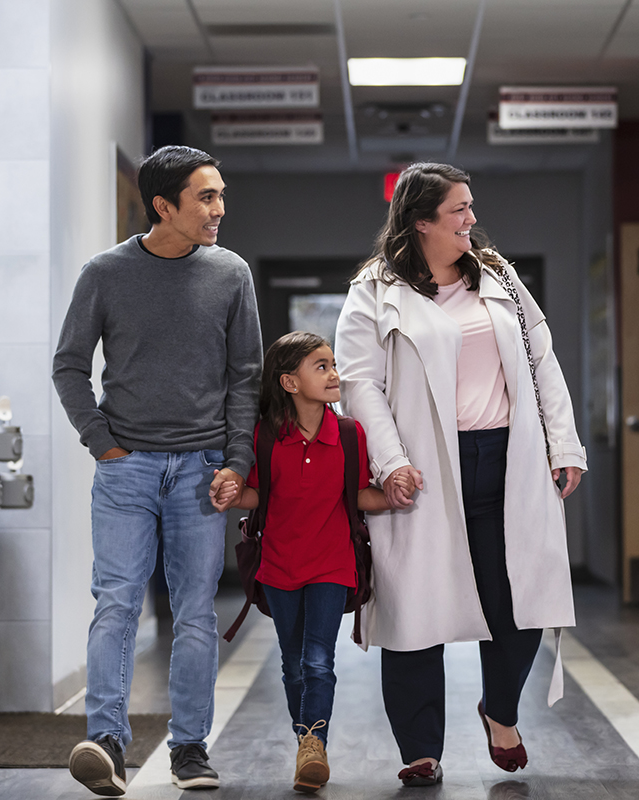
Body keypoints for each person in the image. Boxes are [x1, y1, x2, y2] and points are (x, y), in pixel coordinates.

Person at [334, 163, 587, 787]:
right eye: (459, 210)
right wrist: (390, 462)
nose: (472, 219)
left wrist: (565, 444)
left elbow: (541, 360)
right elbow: (361, 386)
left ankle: (499, 711)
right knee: (415, 606)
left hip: (508, 458)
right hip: (425, 470)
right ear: (422, 223)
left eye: (471, 207)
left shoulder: (497, 276)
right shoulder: (375, 289)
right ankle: (419, 748)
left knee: (521, 599)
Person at [52, 145, 262, 796]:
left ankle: (190, 748)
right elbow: (69, 365)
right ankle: (108, 741)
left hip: (202, 469)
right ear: (163, 206)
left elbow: (246, 378)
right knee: (116, 603)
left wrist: (235, 460)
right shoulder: (105, 274)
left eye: (221, 194)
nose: (220, 209)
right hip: (126, 470)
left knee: (196, 612)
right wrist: (101, 443)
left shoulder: (231, 274)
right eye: (206, 197)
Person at [212, 332, 409, 794]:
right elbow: (260, 495)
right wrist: (231, 493)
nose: (334, 374)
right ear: (289, 382)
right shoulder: (264, 435)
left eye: (334, 364)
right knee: (292, 663)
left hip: (332, 563)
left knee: (318, 659)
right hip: (279, 565)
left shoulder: (348, 433)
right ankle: (307, 742)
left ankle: (314, 744)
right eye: (321, 366)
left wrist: (394, 496)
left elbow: (357, 494)